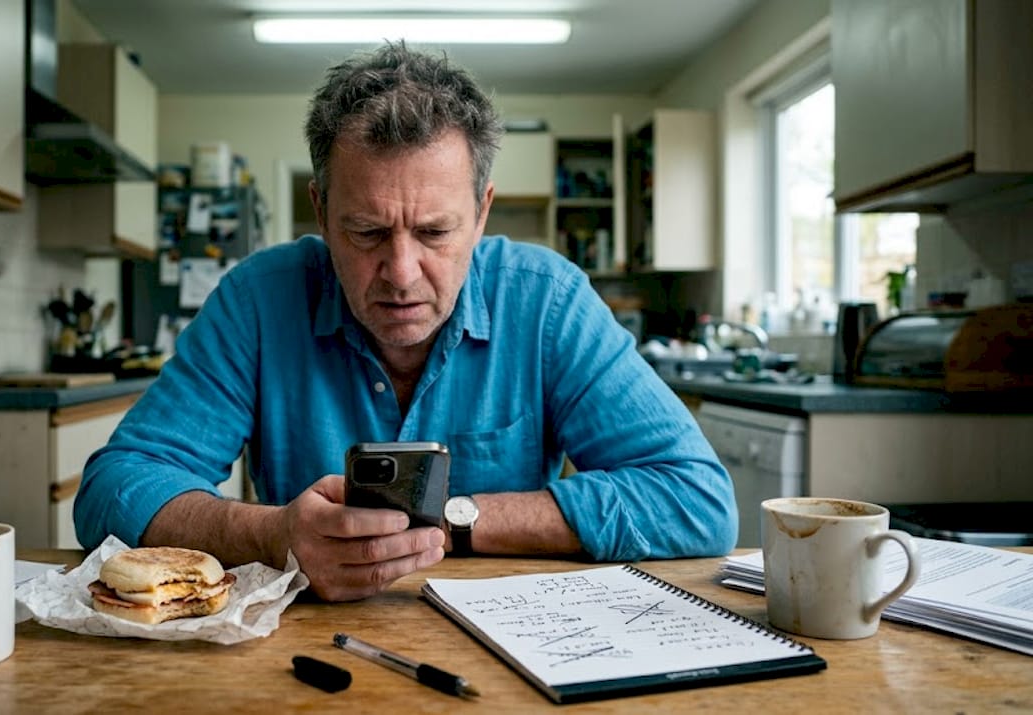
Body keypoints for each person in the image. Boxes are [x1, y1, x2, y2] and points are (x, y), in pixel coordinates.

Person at [75, 42, 736, 602]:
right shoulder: (258, 299)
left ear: (481, 213)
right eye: (365, 231)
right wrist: (274, 534)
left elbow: (697, 500)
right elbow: (114, 486)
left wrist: (452, 520)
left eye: (434, 231)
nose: (400, 271)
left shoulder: (548, 302)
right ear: (320, 208)